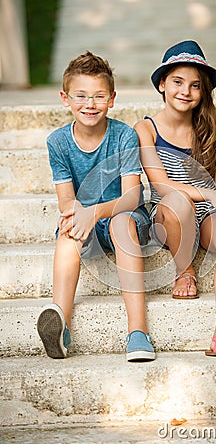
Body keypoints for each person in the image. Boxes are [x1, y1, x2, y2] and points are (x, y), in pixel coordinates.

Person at [134, 40, 216, 362]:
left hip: (204, 215)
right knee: (179, 203)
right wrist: (210, 193)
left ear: (203, 92)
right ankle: (184, 268)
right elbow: (162, 184)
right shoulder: (145, 129)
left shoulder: (213, 131)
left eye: (195, 86)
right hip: (169, 216)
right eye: (177, 82)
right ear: (162, 84)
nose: (185, 91)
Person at [37, 51, 155, 362]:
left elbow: (133, 197)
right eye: (81, 96)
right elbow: (65, 197)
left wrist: (95, 212)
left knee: (121, 224)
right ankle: (60, 323)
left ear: (112, 98)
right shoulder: (58, 142)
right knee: (68, 231)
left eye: (99, 96)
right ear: (65, 98)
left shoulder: (124, 136)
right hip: (86, 219)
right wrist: (75, 213)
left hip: (125, 217)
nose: (90, 104)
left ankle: (138, 332)